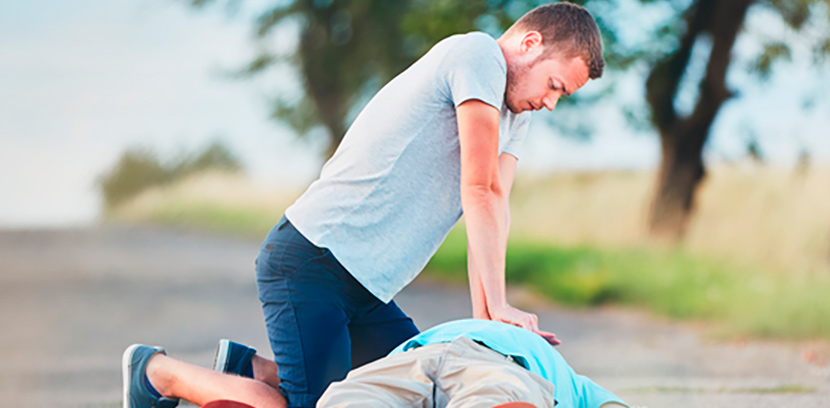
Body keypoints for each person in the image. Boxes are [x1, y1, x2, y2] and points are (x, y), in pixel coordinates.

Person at [121, 3, 606, 408]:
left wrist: (489, 327)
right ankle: (155, 372)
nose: (550, 103)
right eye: (555, 86)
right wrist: (498, 305)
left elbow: (493, 207)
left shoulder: (512, 113)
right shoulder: (478, 55)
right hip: (311, 261)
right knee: (315, 405)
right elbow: (477, 189)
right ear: (530, 44)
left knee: (417, 391)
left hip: (367, 290)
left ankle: (249, 369)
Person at [123, 320, 627, 408]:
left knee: (345, 400)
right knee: (497, 397)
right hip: (491, 361)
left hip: (402, 366)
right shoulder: (573, 387)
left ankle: (249, 370)